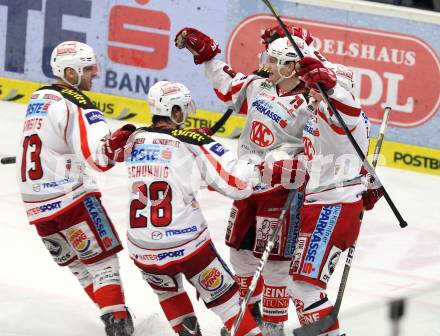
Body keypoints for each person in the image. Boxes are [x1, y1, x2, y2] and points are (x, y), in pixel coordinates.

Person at [175, 27, 313, 335]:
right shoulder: (258, 84)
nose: (267, 64)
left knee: (276, 263)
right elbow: (226, 85)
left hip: (280, 192)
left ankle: (274, 327)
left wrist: (296, 167)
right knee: (239, 252)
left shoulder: (311, 102)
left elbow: (323, 149)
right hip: (247, 183)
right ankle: (250, 316)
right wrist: (208, 55)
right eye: (268, 57)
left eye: (275, 60)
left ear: (292, 66)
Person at [123, 80, 267, 336]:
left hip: (142, 248)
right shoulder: (193, 142)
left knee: (168, 291)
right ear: (175, 112)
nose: (188, 114)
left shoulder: (135, 138)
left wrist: (193, 144)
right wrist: (265, 168)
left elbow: (168, 160)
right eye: (184, 109)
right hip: (186, 246)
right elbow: (238, 185)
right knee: (229, 302)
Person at [16, 41, 135, 336]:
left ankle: (111, 313)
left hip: (34, 203)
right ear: (69, 72)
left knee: (78, 265)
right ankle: (117, 321)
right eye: (87, 69)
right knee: (103, 262)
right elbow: (99, 156)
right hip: (69, 198)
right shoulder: (77, 102)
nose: (94, 74)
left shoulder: (38, 97)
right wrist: (119, 142)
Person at [286, 55, 371, 335]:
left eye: (317, 86)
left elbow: (344, 109)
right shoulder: (319, 110)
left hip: (332, 208)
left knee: (304, 287)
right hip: (326, 205)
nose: (311, 89)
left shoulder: (346, 115)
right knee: (302, 286)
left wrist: (331, 88)